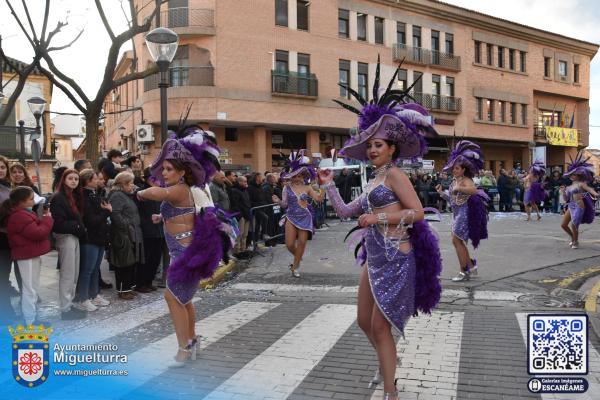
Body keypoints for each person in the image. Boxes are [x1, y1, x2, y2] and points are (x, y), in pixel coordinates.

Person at [322, 59, 442, 400]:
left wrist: (379, 219)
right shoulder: (374, 178)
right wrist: (330, 186)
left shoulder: (395, 175)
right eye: (369, 145)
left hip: (396, 255)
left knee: (379, 325)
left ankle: (391, 391)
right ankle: (387, 358)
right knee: (364, 321)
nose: (373, 149)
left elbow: (417, 213)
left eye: (379, 144)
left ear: (392, 148)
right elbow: (347, 211)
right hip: (373, 257)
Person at [136, 125, 236, 367]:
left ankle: (184, 347)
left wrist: (140, 193)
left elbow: (157, 194)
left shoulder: (179, 189)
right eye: (165, 169)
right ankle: (191, 341)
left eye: (169, 169)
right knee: (184, 299)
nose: (165, 172)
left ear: (182, 173)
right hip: (182, 250)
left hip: (185, 253)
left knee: (173, 298)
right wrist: (163, 218)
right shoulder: (184, 190)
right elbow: (184, 213)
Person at [436, 141, 489, 282]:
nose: (454, 170)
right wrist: (442, 193)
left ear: (463, 169)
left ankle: (464, 270)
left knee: (456, 240)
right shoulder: (454, 181)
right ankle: (470, 265)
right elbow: (453, 200)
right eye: (453, 168)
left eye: (457, 168)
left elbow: (473, 190)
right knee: (458, 242)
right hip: (456, 214)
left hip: (464, 214)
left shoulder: (466, 180)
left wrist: (460, 188)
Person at [1, 186, 53, 325]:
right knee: (29, 288)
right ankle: (30, 319)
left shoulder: (23, 213)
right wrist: (48, 219)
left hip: (30, 254)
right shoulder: (19, 216)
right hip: (26, 256)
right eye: (31, 198)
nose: (33, 200)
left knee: (33, 287)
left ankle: (32, 316)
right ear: (21, 202)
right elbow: (38, 233)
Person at [51, 169, 87, 320]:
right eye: (70, 178)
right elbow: (58, 223)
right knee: (67, 274)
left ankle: (69, 304)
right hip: (66, 237)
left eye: (76, 179)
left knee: (74, 274)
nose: (73, 181)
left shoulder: (70, 196)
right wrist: (78, 227)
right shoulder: (59, 197)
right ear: (64, 180)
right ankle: (65, 309)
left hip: (73, 237)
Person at [280, 151, 323, 277]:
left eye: (299, 176)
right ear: (291, 176)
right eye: (295, 176)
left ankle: (295, 266)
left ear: (304, 176)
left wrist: (324, 187)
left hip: (305, 217)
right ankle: (298, 256)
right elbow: (284, 204)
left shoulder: (308, 188)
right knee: (289, 244)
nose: (297, 178)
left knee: (302, 243)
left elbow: (318, 199)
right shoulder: (286, 188)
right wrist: (278, 201)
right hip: (291, 217)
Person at [74, 169, 111, 311]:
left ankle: (94, 295)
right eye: (97, 179)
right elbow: (91, 220)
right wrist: (106, 211)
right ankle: (83, 298)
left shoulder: (94, 195)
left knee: (95, 269)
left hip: (99, 237)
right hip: (90, 238)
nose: (100, 181)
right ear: (88, 180)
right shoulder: (84, 197)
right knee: (87, 269)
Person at [108, 172, 144, 299]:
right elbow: (115, 214)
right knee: (124, 264)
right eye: (130, 183)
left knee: (130, 262)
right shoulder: (117, 195)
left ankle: (128, 288)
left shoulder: (126, 195)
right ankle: (123, 290)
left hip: (130, 233)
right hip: (122, 234)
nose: (132, 185)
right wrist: (127, 224)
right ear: (123, 184)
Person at [135, 167, 165, 292]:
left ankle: (149, 281)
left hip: (159, 230)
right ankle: (141, 283)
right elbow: (138, 212)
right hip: (147, 230)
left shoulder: (160, 191)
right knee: (146, 258)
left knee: (156, 258)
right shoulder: (141, 192)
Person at [560, 153, 598, 249]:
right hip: (571, 206)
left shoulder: (581, 184)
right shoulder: (570, 186)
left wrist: (596, 194)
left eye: (574, 174)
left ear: (579, 175)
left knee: (574, 224)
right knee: (563, 225)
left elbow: (590, 190)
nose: (571, 176)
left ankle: (575, 242)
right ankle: (573, 237)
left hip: (579, 206)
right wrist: (563, 192)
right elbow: (566, 199)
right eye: (571, 174)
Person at [0, 155, 17, 323]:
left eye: (3, 167)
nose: (0, 170)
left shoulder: (8, 188)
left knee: (4, 275)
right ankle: (5, 312)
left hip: (7, 238)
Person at [229, 176, 251, 255]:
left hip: (247, 215)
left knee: (245, 234)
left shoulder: (245, 191)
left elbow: (247, 203)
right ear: (239, 182)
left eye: (246, 181)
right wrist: (241, 215)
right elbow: (236, 204)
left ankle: (243, 250)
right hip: (240, 216)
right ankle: (237, 251)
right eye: (244, 182)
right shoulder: (234, 191)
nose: (246, 183)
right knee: (239, 234)